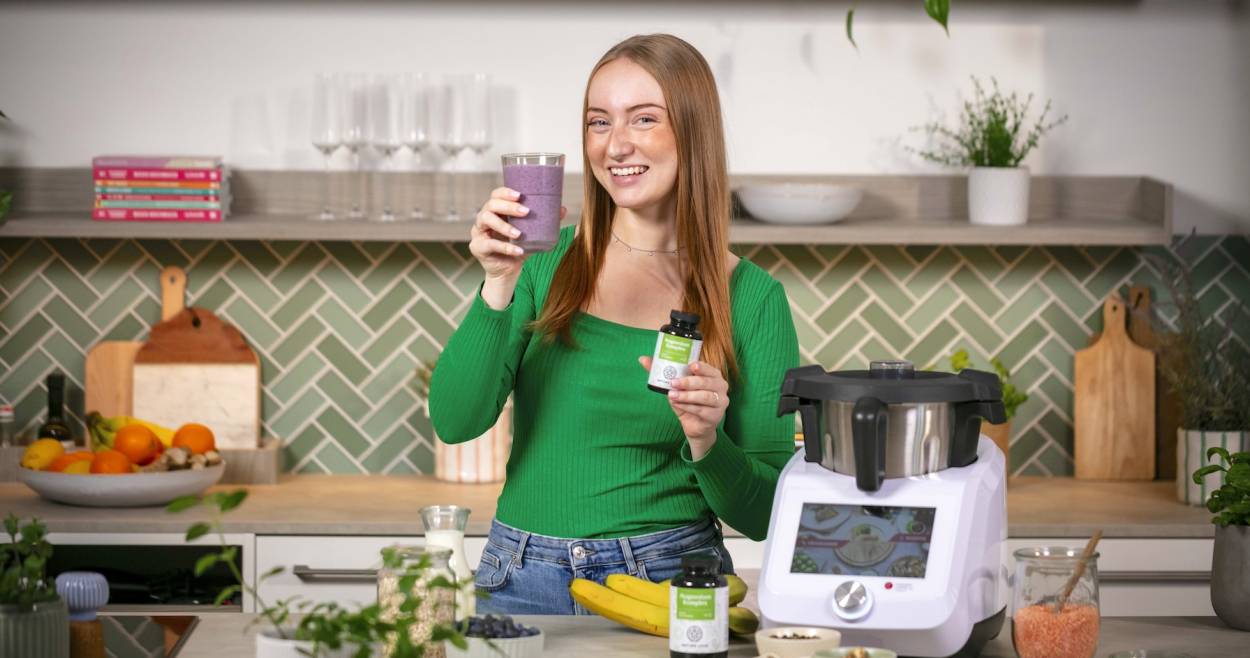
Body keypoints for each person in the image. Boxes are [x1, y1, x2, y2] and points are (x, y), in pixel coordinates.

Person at [429, 33, 799, 615]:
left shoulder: (750, 298)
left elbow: (765, 516)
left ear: (693, 131)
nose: (616, 145)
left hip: (668, 582)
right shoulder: (540, 263)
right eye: (598, 122)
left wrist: (707, 440)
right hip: (518, 577)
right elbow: (455, 421)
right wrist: (496, 282)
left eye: (644, 119)